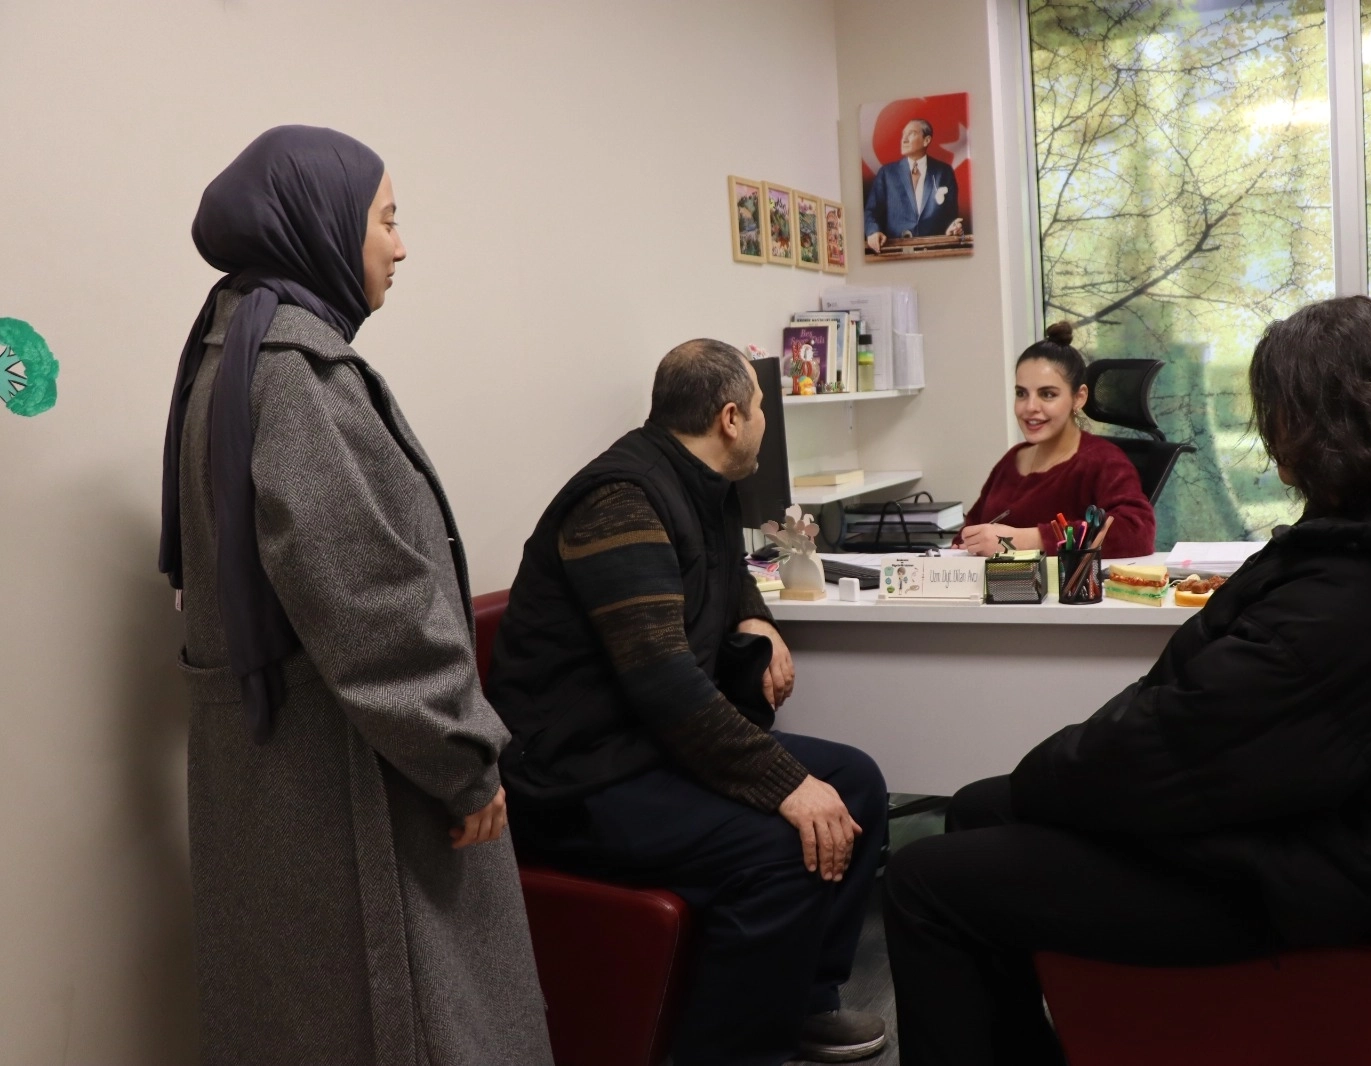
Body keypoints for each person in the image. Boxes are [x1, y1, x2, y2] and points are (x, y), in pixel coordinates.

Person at [882, 295, 1371, 1066]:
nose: (1270, 438)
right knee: (976, 807)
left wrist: (1046, 774)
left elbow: (1184, 745)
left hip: (1277, 874)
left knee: (922, 882)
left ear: (1315, 427)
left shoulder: (1356, 596)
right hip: (1296, 831)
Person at [158, 126, 551, 1066]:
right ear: (320, 223)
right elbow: (372, 607)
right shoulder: (297, 377)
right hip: (347, 786)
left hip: (281, 788)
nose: (400, 246)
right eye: (386, 219)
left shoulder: (231, 349)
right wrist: (464, 759)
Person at [487, 341, 890, 1066]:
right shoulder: (620, 501)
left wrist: (757, 618)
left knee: (856, 782)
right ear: (731, 418)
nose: (764, 421)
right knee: (781, 847)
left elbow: (726, 571)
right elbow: (662, 681)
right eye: (761, 408)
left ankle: (803, 1000)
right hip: (582, 777)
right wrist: (785, 784)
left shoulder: (701, 483)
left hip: (650, 747)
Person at [957, 321, 1156, 558]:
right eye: (1021, 393)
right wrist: (967, 543)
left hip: (1062, 583)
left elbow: (1137, 532)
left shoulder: (1104, 461)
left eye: (1047, 394)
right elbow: (970, 531)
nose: (1030, 407)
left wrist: (1023, 540)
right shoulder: (1012, 460)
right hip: (997, 581)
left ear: (1079, 398)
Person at [864, 118, 964, 253]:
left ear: (926, 140)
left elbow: (951, 217)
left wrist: (952, 228)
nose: (904, 140)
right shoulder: (887, 173)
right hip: (896, 254)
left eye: (911, 133)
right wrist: (872, 231)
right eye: (903, 134)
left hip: (934, 253)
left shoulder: (944, 172)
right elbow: (871, 211)